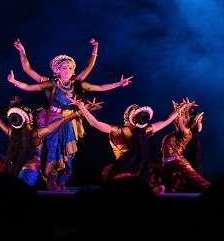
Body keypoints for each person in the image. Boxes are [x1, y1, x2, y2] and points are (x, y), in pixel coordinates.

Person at [7, 51, 132, 190]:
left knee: (69, 151)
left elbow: (99, 85)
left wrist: (119, 84)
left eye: (70, 68)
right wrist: (15, 79)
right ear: (57, 70)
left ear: (73, 71)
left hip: (71, 120)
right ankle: (51, 179)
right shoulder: (51, 83)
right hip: (53, 120)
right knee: (53, 150)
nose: (67, 70)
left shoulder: (77, 84)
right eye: (64, 67)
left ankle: (64, 179)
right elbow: (29, 83)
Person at [0, 98, 102, 187]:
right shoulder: (37, 133)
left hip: (16, 169)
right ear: (29, 120)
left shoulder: (12, 133)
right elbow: (63, 120)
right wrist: (83, 110)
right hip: (30, 171)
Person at [73, 97, 196, 183]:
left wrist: (179, 110)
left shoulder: (143, 131)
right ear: (127, 116)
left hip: (139, 167)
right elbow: (95, 123)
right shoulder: (117, 130)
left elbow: (165, 121)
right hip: (123, 167)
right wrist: (82, 108)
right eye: (135, 113)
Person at [160, 107, 210, 192]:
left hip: (175, 159)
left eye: (186, 117)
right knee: (166, 184)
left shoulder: (186, 131)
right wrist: (180, 109)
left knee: (197, 178)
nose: (184, 117)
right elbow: (176, 120)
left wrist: (181, 109)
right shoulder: (180, 132)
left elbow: (178, 121)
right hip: (167, 160)